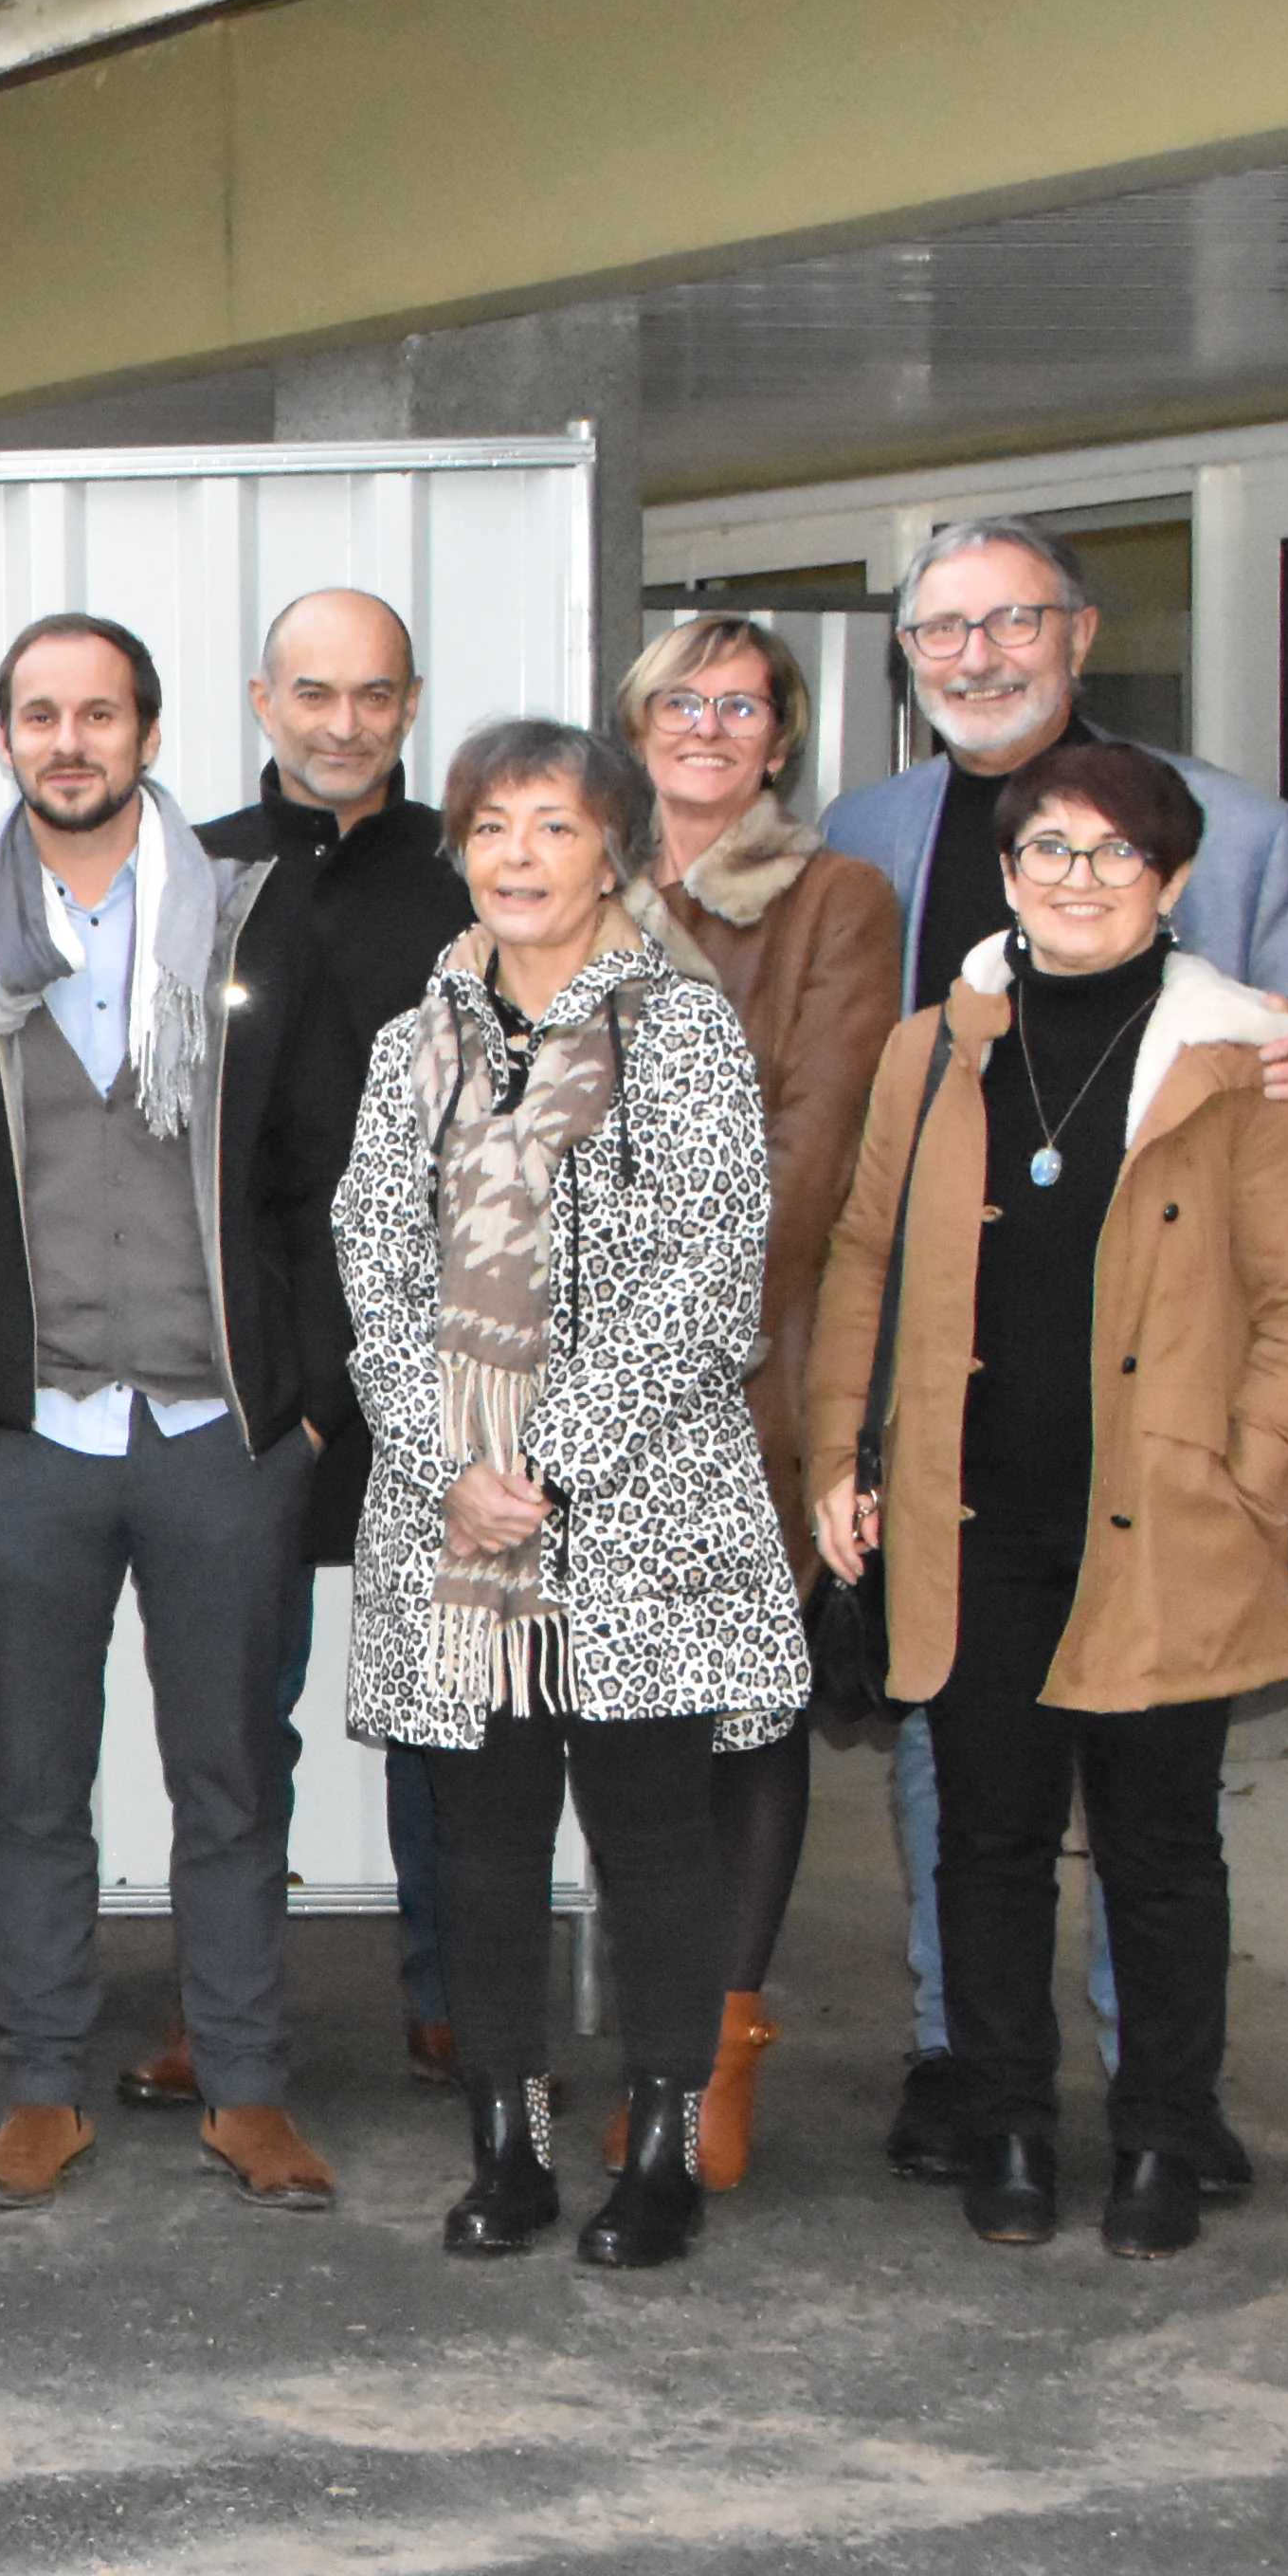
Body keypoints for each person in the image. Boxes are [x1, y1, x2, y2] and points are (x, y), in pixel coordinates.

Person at [821, 518, 1288, 2187]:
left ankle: (1162, 2112)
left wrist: (1259, 1476)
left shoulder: (1238, 913)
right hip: (962, 1444)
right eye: (942, 631)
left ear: (1078, 634)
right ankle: (977, 2077)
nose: (977, 656)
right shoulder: (873, 836)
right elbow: (866, 1217)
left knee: (1156, 1827)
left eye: (1011, 623)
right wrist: (845, 1448)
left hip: (1168, 1438)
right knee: (970, 1801)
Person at [0, 612, 348, 2220]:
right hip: (26, 1450)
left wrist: (310, 1411)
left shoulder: (250, 938)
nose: (68, 741)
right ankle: (41, 2089)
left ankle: (249, 2082)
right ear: (5, 738)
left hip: (223, 1438)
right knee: (36, 1786)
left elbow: (326, 1186)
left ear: (150, 735)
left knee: (230, 1777)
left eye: (98, 714)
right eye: (38, 716)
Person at [333, 719, 806, 2269]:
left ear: (617, 850)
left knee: (652, 1839)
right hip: (451, 1518)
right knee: (475, 1841)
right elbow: (370, 1263)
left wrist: (543, 1463)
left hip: (634, 1511)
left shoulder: (682, 1028)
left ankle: (660, 2148)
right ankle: (507, 2147)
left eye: (551, 826)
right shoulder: (424, 1040)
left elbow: (707, 1287)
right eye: (490, 827)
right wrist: (445, 1458)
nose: (517, 857)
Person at [123, 587, 472, 2110]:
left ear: (410, 703)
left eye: (374, 695)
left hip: (448, 1341)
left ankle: (463, 1995)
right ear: (262, 701)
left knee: (446, 1690)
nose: (343, 724)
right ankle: (226, 2002)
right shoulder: (187, 876)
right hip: (251, 1352)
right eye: (313, 694)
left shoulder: (477, 874)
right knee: (234, 1705)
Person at [620, 612, 901, 2188]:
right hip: (581, 1379)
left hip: (746, 1369)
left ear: (782, 738)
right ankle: (651, 2030)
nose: (709, 729)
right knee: (631, 1725)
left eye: (741, 706)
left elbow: (820, 1139)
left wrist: (676, 1320)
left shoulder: (833, 900)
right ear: (641, 726)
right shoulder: (584, 887)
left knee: (742, 1717)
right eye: (682, 703)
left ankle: (715, 2060)